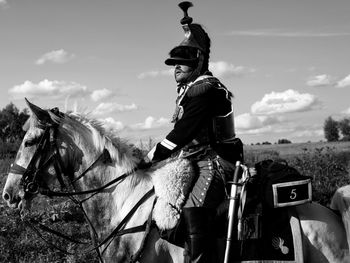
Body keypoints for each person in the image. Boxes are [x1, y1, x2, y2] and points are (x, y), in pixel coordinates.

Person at [141, 2, 243, 262]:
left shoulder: (205, 89)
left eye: (183, 61)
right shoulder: (190, 90)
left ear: (197, 62)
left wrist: (148, 157)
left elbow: (183, 133)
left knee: (192, 208)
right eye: (174, 62)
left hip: (217, 162)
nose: (176, 66)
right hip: (195, 160)